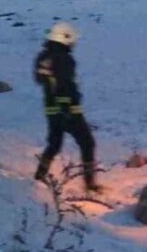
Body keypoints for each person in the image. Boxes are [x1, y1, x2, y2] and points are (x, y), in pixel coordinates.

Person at [33, 22, 101, 192]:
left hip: (51, 109)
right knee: (87, 143)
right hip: (68, 110)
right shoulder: (64, 58)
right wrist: (66, 107)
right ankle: (90, 185)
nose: (73, 44)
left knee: (54, 144)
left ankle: (39, 176)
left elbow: (42, 81)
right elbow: (64, 84)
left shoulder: (43, 57)